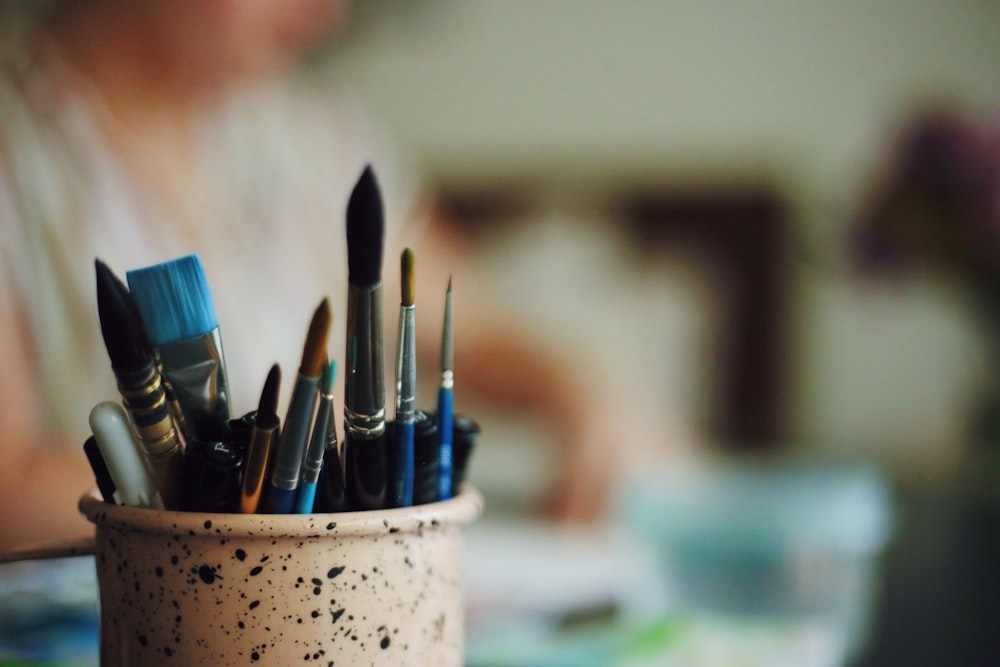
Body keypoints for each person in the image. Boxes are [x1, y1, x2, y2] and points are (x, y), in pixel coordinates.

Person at [0, 0, 681, 550]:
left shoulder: (310, 132)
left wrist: (582, 390)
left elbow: (472, 327)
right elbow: (8, 495)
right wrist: (254, 485)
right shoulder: (19, 148)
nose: (326, 16)